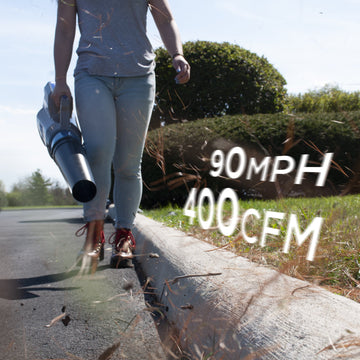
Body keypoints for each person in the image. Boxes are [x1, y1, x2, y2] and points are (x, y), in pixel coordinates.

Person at [51, 0, 190, 269]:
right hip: (92, 74)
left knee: (128, 162)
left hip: (138, 77)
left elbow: (164, 18)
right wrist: (59, 80)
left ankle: (124, 235)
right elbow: (65, 29)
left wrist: (177, 54)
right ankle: (94, 235)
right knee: (98, 151)